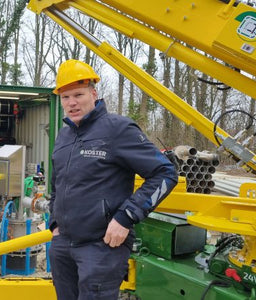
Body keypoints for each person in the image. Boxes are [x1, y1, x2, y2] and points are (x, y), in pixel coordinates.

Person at [48, 59, 178, 300]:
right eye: (65, 97)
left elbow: (165, 173)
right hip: (63, 244)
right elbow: (57, 183)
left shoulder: (117, 129)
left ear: (94, 93)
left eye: (78, 94)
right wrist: (54, 222)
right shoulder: (64, 135)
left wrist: (126, 217)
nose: (72, 103)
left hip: (101, 247)